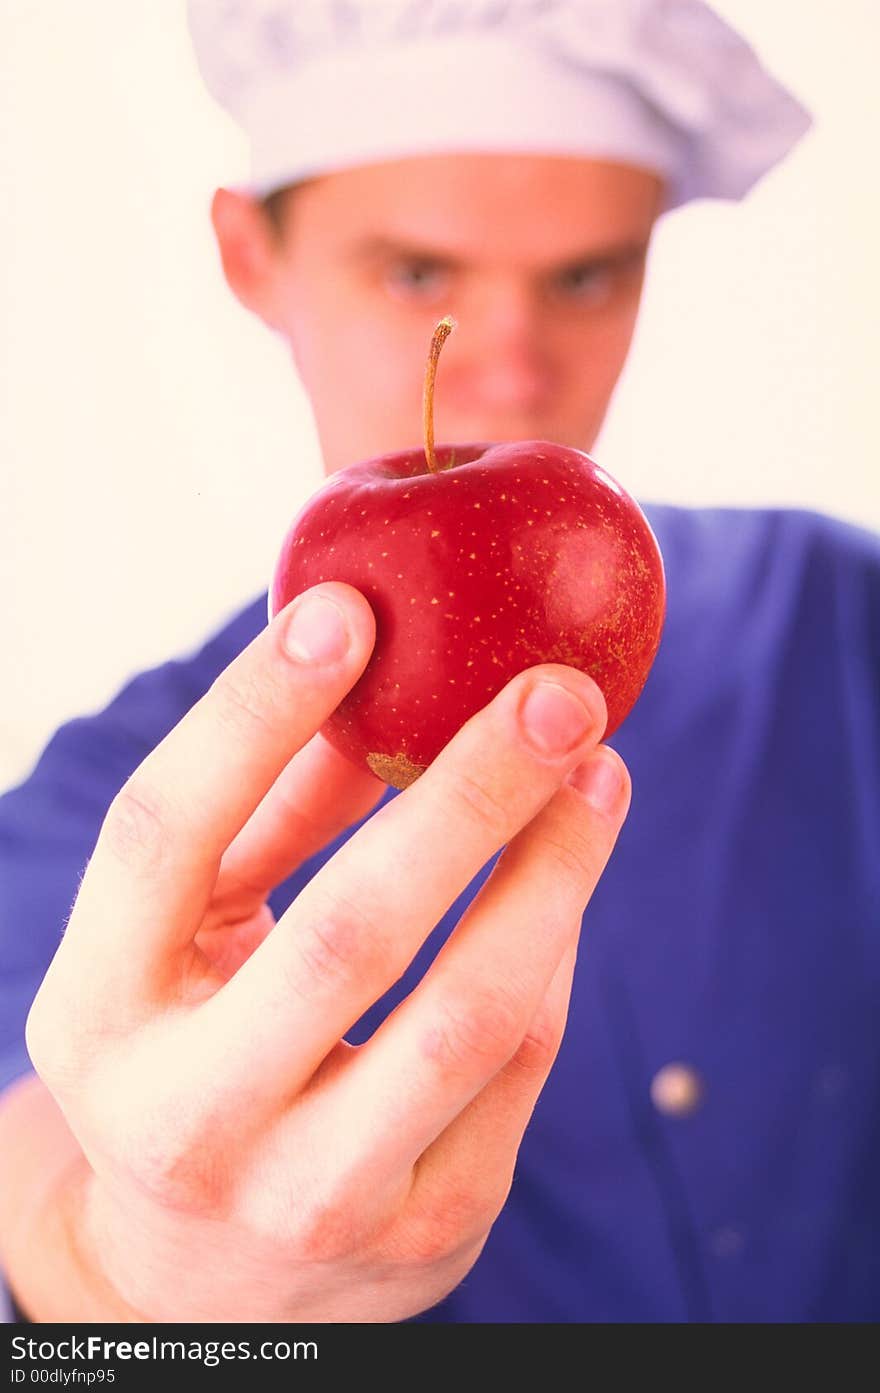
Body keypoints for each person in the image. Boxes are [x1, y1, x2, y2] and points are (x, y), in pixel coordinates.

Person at [0, 0, 878, 1324]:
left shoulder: (840, 621)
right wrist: (111, 1271)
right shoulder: (115, 822)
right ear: (251, 255)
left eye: (584, 275)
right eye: (418, 273)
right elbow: (39, 1159)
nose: (512, 371)